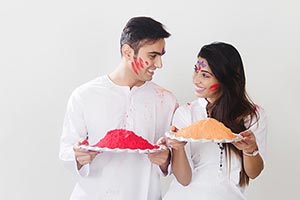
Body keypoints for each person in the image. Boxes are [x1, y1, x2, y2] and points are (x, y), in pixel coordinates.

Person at [59, 16, 178, 200]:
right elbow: (67, 149)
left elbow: (175, 160)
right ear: (128, 52)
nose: (159, 64)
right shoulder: (85, 96)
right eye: (153, 56)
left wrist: (166, 160)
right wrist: (78, 157)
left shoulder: (166, 101)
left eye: (161, 56)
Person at [163, 42, 267, 200]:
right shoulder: (186, 113)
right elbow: (184, 180)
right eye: (196, 71)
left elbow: (253, 173)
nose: (196, 80)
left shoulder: (253, 115)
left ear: (226, 80)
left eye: (205, 75)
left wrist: (250, 149)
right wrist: (178, 148)